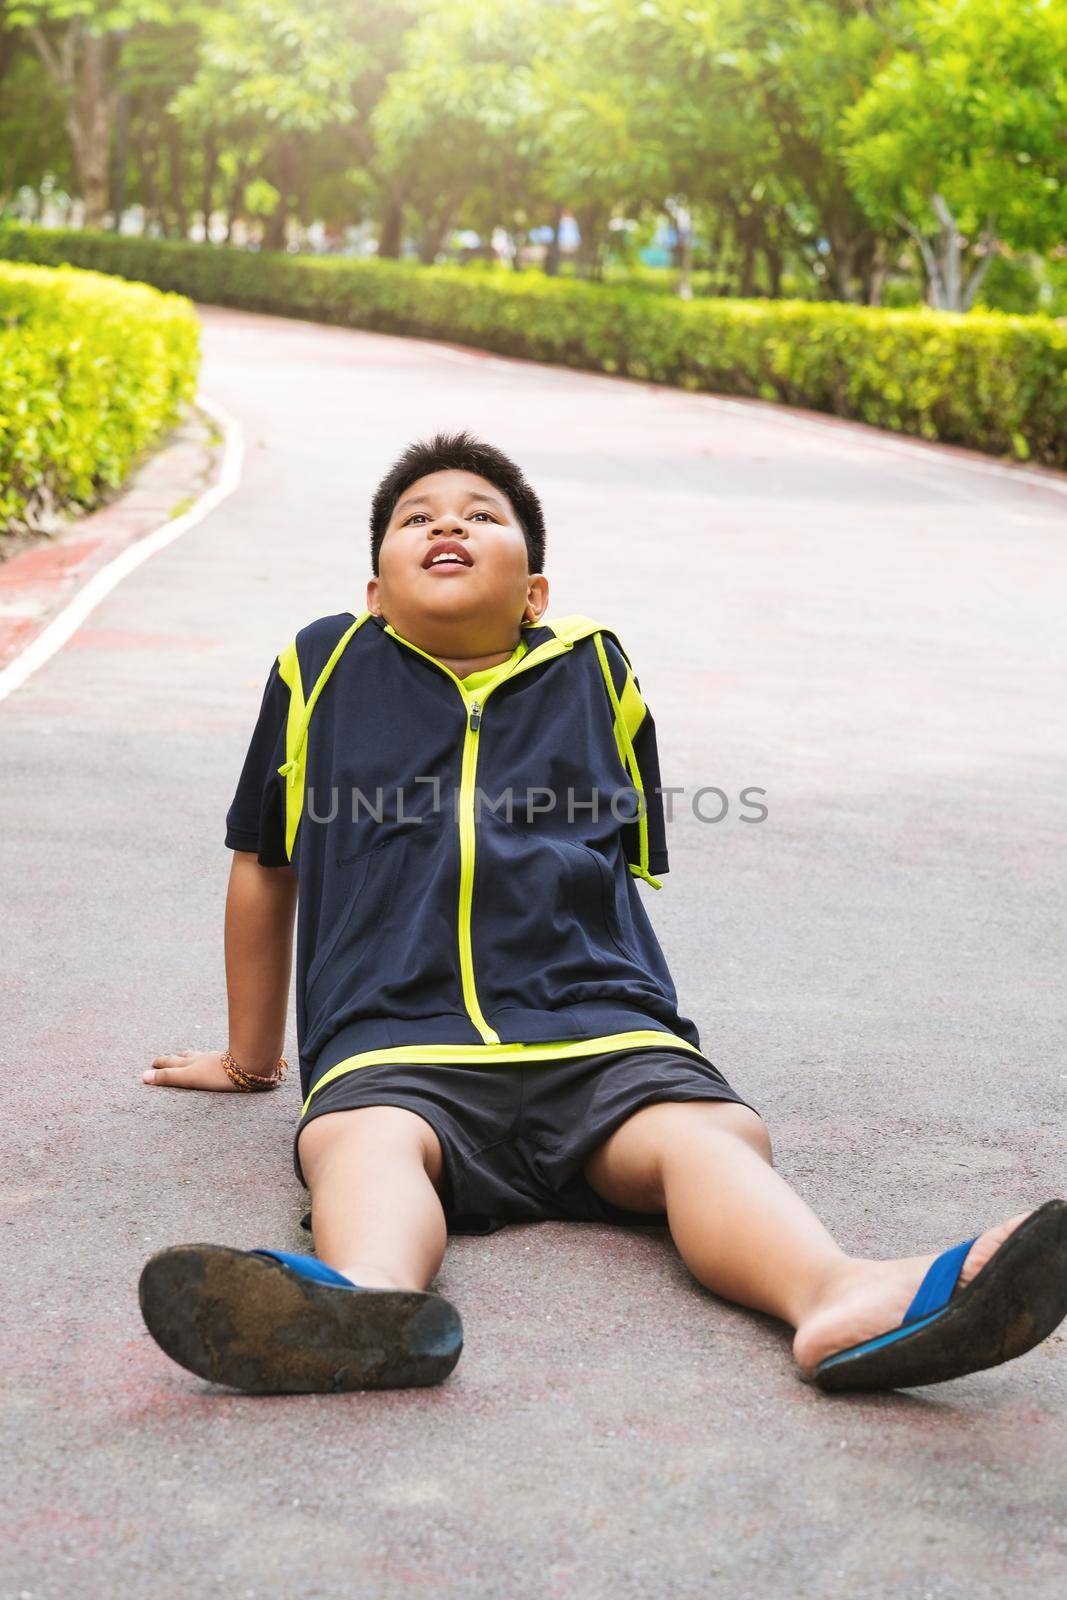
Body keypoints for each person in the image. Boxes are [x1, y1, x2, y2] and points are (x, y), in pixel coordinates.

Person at [139, 430, 1067, 1397]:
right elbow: (264, 863)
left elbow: (618, 862)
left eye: (480, 515)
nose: (446, 522)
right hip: (395, 1040)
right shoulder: (319, 667)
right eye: (415, 518)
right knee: (359, 1145)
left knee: (700, 1136)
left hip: (596, 1028)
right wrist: (252, 1061)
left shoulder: (594, 673)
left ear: (534, 592)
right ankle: (361, 1302)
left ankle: (834, 1295)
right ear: (374, 593)